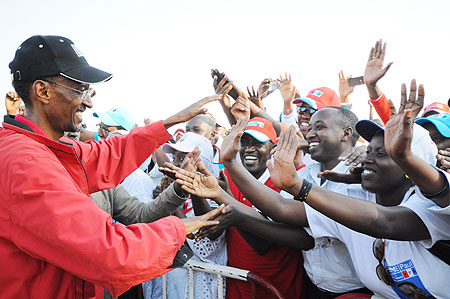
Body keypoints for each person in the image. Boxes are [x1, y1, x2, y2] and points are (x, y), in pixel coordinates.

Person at [0, 35, 226, 299]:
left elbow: (104, 155)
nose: (88, 102)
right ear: (43, 91)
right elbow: (111, 252)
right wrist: (180, 228)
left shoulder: (43, 148)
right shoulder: (27, 163)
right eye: (79, 90)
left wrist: (167, 124)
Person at [236, 80, 450, 298]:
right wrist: (230, 165)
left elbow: (385, 222)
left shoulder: (431, 207)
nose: (368, 158)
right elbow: (282, 208)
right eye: (368, 151)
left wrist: (298, 187)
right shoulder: (348, 197)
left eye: (384, 153)